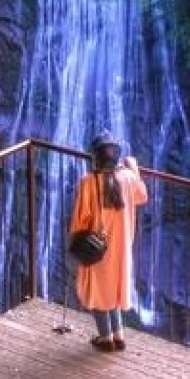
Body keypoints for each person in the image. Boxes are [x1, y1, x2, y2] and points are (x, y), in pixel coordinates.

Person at [68, 129, 148, 352]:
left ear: (96, 156)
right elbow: (143, 196)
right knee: (114, 286)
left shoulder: (89, 182)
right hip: (122, 246)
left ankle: (106, 337)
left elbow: (80, 221)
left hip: (97, 247)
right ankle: (118, 334)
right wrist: (134, 168)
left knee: (98, 289)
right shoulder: (128, 178)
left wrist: (75, 242)